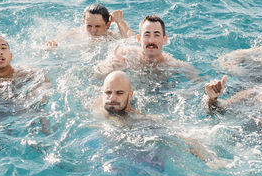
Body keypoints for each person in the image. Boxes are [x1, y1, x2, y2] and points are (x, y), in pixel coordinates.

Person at [93, 71, 225, 168]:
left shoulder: (143, 120)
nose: (112, 98)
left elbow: (184, 136)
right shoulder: (95, 108)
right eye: (108, 92)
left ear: (130, 95)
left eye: (119, 93)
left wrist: (209, 159)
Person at [95, 15, 198, 78]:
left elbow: (197, 82)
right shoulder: (125, 55)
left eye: (156, 35)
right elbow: (96, 75)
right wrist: (110, 68)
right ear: (139, 39)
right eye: (147, 34)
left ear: (164, 40)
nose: (151, 40)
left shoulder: (173, 65)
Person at [47, 4, 134, 47]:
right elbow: (60, 37)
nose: (93, 30)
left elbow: (131, 43)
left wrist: (119, 22)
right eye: (89, 26)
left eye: (97, 26)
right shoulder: (76, 33)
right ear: (83, 22)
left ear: (107, 25)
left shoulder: (113, 37)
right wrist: (53, 42)